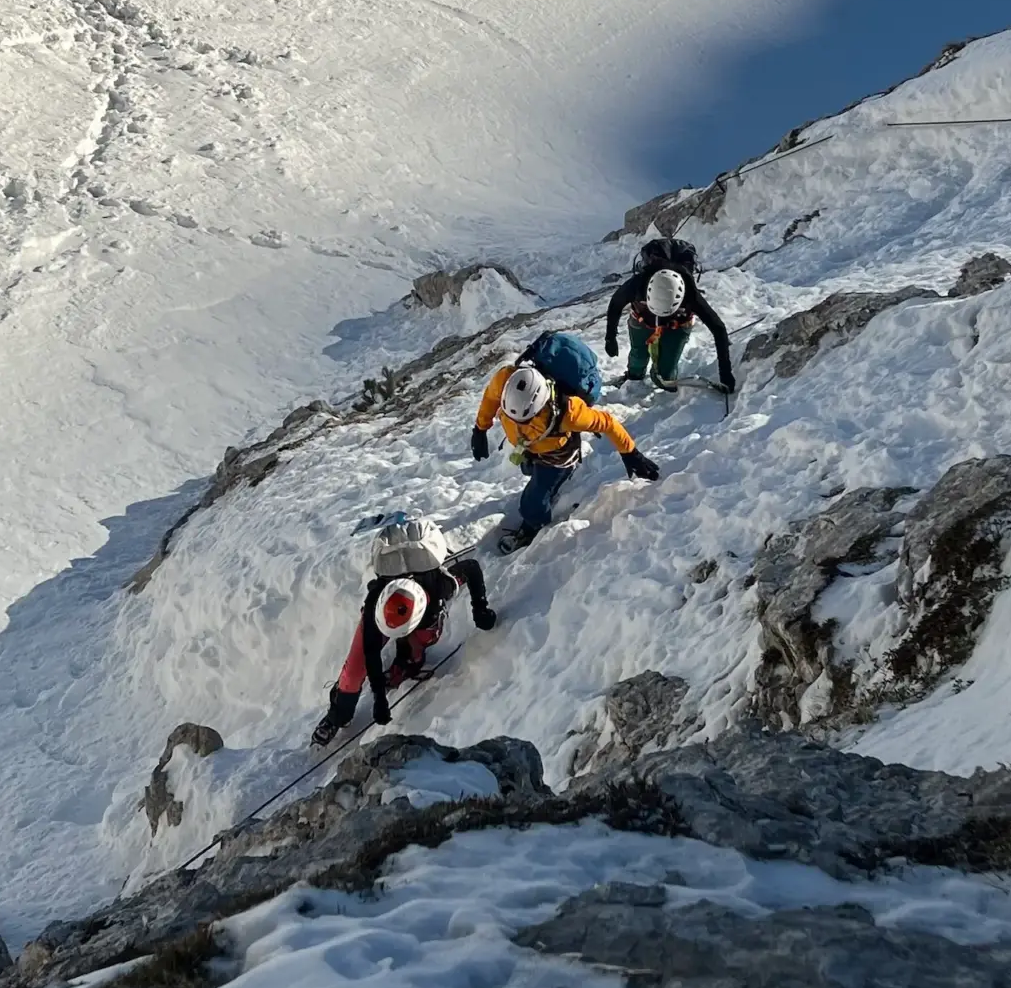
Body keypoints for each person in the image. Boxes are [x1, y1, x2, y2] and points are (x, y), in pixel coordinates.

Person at [311, 514, 495, 747]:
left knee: (424, 637)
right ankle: (339, 715)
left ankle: (408, 661)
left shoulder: (440, 586)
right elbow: (369, 653)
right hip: (389, 611)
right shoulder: (375, 603)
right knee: (353, 672)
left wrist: (480, 608)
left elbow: (471, 568)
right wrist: (379, 699)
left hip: (422, 614)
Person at [471, 362, 659, 553]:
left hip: (556, 458)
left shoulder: (569, 413)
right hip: (531, 447)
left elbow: (607, 423)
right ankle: (549, 483)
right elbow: (490, 398)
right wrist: (480, 428)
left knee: (533, 499)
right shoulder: (505, 379)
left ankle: (532, 526)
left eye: (525, 419)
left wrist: (630, 453)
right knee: (528, 470)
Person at [605, 262, 734, 393]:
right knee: (638, 355)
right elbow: (616, 304)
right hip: (642, 319)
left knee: (666, 372)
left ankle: (665, 384)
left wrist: (725, 374)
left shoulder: (691, 295)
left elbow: (718, 328)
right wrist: (610, 338)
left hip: (677, 324)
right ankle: (633, 376)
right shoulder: (636, 285)